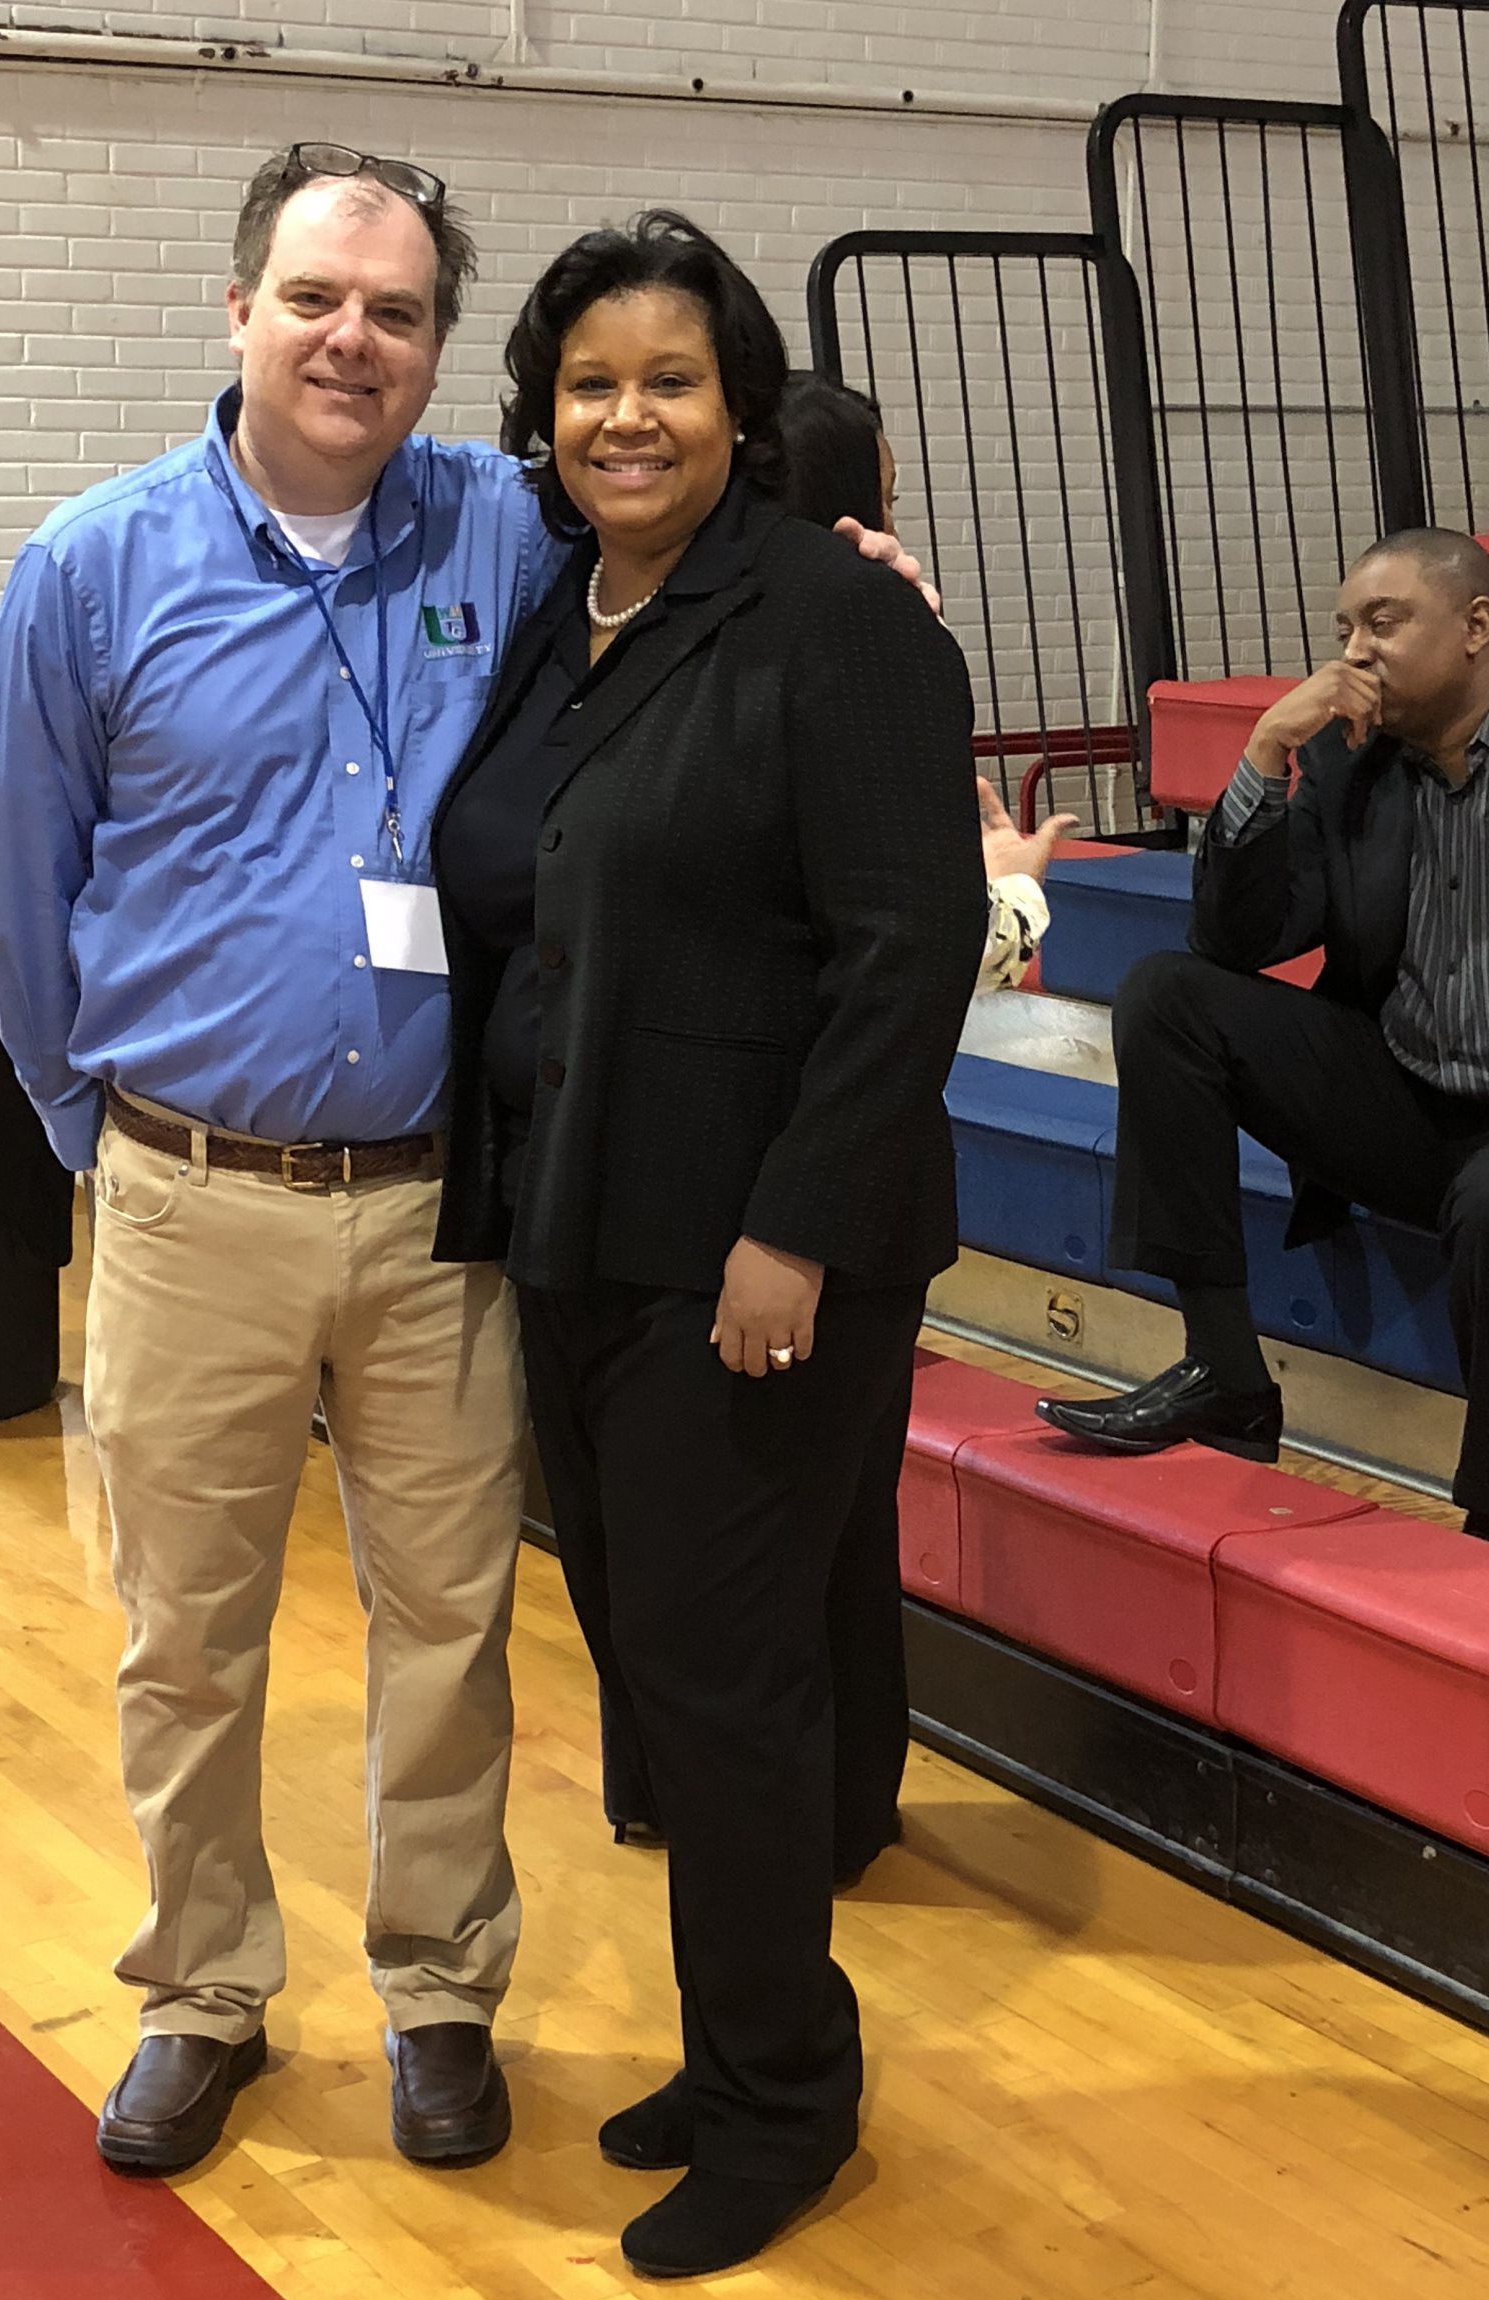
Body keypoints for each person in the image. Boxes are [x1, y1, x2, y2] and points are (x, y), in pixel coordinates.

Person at [0, 143, 936, 2183]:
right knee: (187, 1634)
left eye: (395, 313)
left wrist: (857, 571)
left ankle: (437, 1985)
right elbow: (11, 889)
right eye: (315, 297)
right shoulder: (94, 566)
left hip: (439, 1201)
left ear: (430, 353)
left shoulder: (504, 528)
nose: (350, 340)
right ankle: (202, 1987)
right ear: (237, 307)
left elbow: (717, 558)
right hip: (185, 1186)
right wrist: (99, 1142)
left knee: (451, 1622)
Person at [431, 211, 986, 2278]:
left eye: (667, 377)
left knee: (731, 1688)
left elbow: (907, 944)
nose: (625, 414)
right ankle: (735, 2038)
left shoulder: (836, 628)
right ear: (544, 416)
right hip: (574, 1219)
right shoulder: (565, 615)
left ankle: (783, 2101)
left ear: (737, 406)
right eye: (589, 384)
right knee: (661, 1673)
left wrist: (793, 1232)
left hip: (747, 1256)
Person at [594, 368, 1068, 1878]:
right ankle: (809, 1806)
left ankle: (772, 1807)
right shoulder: (853, 625)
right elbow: (924, 938)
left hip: (799, 1181)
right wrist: (1017, 886)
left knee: (752, 1538)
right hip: (800, 1166)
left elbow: (896, 942)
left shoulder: (745, 630)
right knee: (799, 1535)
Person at [1038, 530, 1489, 1558]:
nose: (1354, 652)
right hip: (1408, 1099)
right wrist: (1264, 752)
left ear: (1478, 626)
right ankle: (1225, 1373)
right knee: (1169, 996)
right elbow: (1234, 940)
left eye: (1384, 623)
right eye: (1345, 628)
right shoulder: (1346, 761)